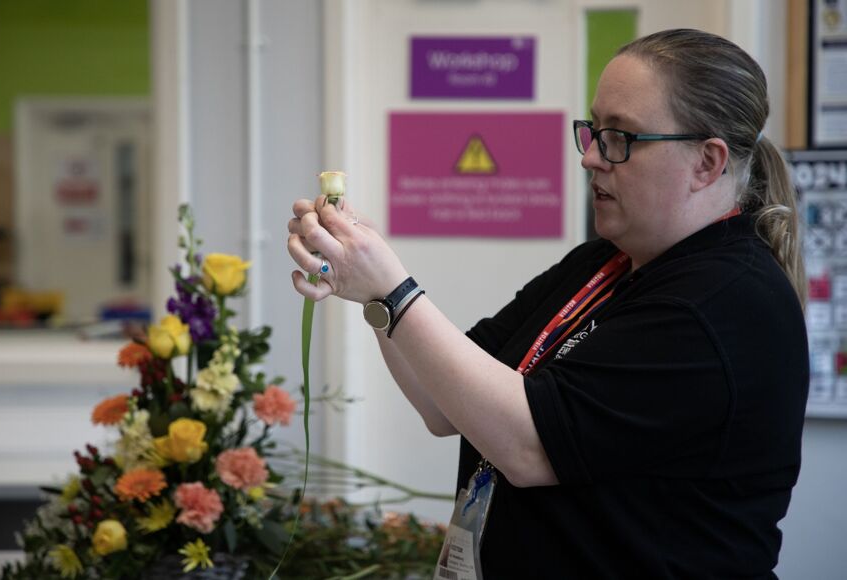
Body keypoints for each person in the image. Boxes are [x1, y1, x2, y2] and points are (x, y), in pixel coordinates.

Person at [287, 28, 809, 579]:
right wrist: (372, 290)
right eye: (593, 131)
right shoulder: (606, 261)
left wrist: (393, 291)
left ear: (707, 162)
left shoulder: (724, 306)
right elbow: (444, 404)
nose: (591, 158)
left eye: (620, 137)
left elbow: (529, 449)